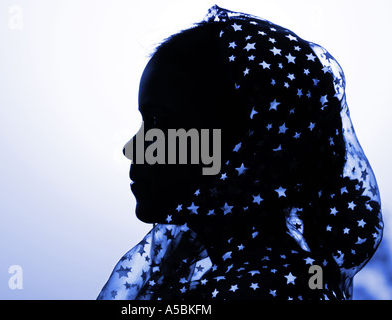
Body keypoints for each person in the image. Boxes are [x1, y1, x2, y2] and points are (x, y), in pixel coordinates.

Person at [97, 5, 383, 300]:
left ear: (247, 147)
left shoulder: (266, 291)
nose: (132, 147)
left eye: (160, 123)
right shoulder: (264, 278)